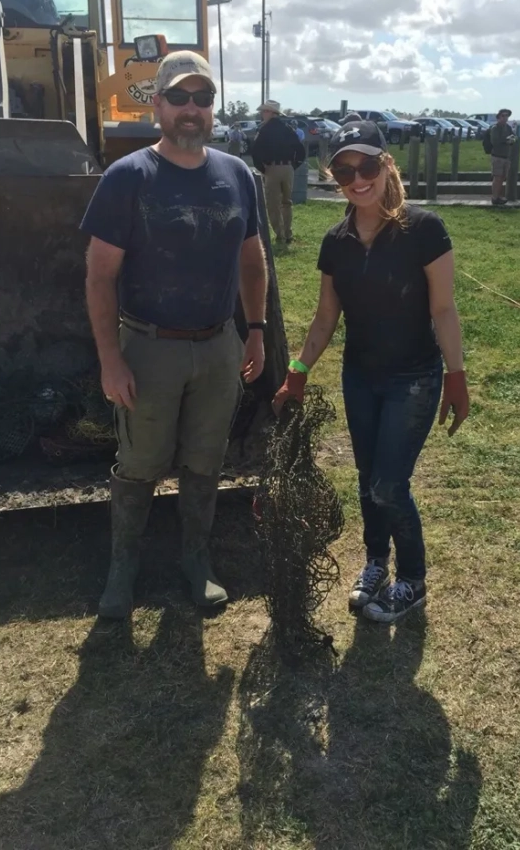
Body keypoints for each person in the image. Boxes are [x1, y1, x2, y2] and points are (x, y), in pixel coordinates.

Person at [80, 50, 268, 617]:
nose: (192, 109)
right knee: (140, 463)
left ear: (213, 108)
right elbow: (99, 275)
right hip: (149, 347)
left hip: (218, 347)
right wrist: (111, 360)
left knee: (206, 460)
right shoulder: (128, 177)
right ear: (157, 104)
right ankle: (124, 567)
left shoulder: (236, 175)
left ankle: (195, 560)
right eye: (180, 98)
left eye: (203, 98)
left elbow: (252, 261)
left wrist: (254, 331)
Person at [272, 121, 469, 623]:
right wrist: (297, 370)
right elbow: (324, 318)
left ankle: (413, 581)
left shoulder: (424, 229)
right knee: (366, 481)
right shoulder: (336, 241)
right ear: (333, 175)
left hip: (414, 377)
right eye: (344, 170)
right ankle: (377, 563)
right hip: (360, 377)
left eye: (366, 167)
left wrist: (456, 375)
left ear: (386, 166)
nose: (357, 179)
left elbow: (443, 310)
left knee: (389, 484)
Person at [252, 99, 306, 243]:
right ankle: (288, 233)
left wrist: (262, 168)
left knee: (273, 204)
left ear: (271, 112)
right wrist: (293, 166)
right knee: (287, 202)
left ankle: (279, 234)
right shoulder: (288, 129)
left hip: (272, 169)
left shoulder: (263, 130)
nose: (262, 114)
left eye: (264, 111)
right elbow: (300, 150)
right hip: (288, 168)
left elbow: (255, 152)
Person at [484, 108, 515, 206]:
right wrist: (506, 140)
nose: (505, 118)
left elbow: (513, 137)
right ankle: (494, 197)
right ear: (498, 117)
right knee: (497, 178)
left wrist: (513, 140)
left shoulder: (508, 128)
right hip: (497, 156)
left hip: (506, 156)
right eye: (503, 115)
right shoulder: (495, 128)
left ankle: (499, 196)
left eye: (507, 116)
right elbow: (495, 142)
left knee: (502, 178)